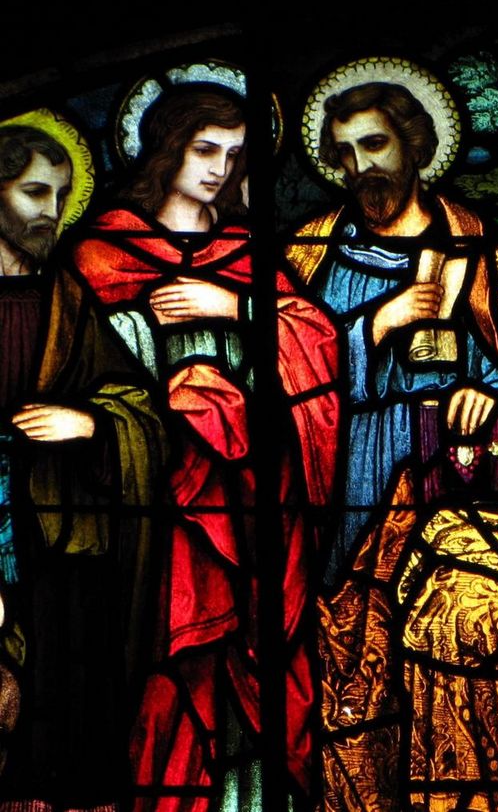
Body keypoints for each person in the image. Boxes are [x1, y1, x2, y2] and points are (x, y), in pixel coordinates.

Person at [288, 61, 498, 811]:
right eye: (343, 153)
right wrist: (376, 325)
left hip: (453, 488)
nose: (360, 167)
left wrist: (497, 399)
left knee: (457, 634)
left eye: (375, 144)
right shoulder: (308, 257)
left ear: (416, 144)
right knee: (351, 676)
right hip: (339, 488)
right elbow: (281, 382)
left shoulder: (481, 251)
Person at [69, 84, 341, 809]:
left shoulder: (246, 254)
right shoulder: (100, 254)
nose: (221, 168)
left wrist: (238, 306)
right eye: (205, 149)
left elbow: (317, 345)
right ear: (167, 149)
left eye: (236, 154)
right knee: (173, 662)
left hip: (254, 499)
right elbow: (80, 366)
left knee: (251, 662)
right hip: (153, 502)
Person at [0, 117, 164, 804]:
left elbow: (141, 410)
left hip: (60, 543)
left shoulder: (69, 302)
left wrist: (92, 424)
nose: (52, 212)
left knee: (63, 728)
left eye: (63, 196)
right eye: (36, 192)